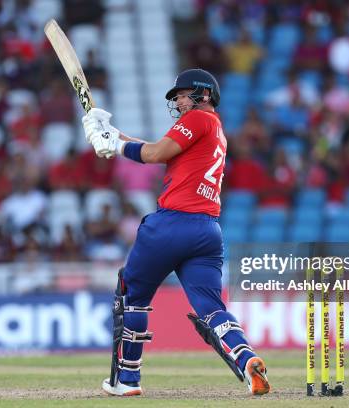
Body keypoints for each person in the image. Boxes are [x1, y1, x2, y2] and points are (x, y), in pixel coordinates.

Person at [81, 69, 270, 397]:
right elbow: (155, 148)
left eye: (183, 94)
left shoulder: (199, 120)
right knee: (211, 307)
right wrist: (113, 134)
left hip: (172, 224)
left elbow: (153, 155)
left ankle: (126, 380)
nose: (178, 100)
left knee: (132, 295)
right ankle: (247, 358)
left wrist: (113, 145)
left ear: (204, 95)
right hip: (207, 230)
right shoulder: (215, 130)